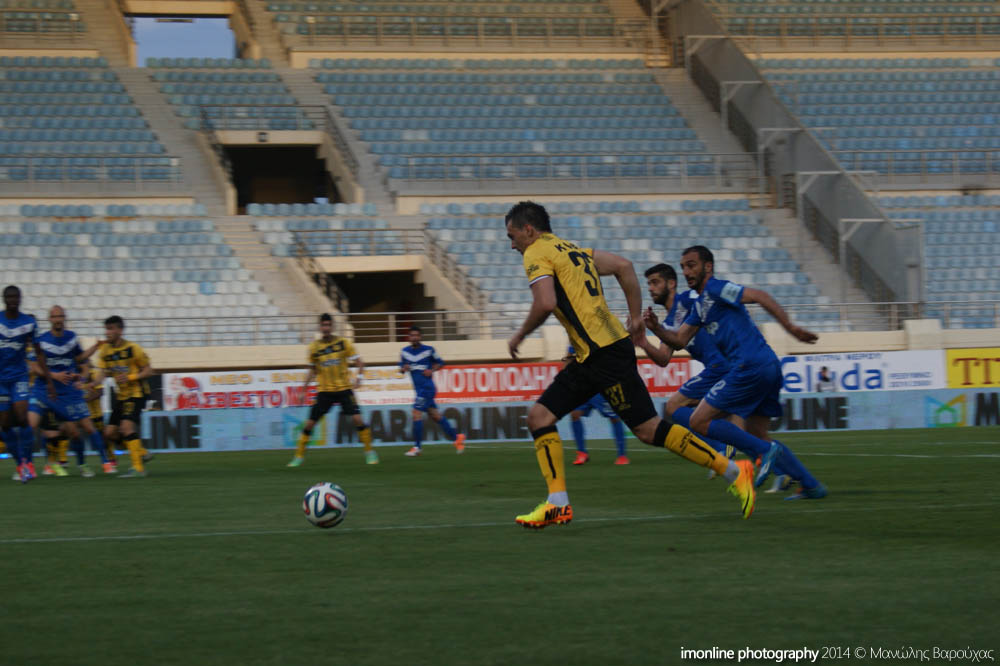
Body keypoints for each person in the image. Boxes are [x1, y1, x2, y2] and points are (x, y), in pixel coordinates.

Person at [504, 202, 757, 528]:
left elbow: (545, 302)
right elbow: (624, 266)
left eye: (512, 236)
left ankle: (734, 471)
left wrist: (520, 335)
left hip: (605, 355)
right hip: (593, 354)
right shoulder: (575, 250)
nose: (512, 245)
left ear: (528, 230)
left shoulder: (536, 252)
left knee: (649, 430)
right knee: (539, 417)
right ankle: (558, 504)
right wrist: (635, 316)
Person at [653, 246, 827, 500]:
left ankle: (760, 452)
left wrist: (789, 327)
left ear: (708, 267)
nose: (687, 272)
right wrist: (655, 328)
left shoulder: (716, 288)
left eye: (691, 265)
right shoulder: (700, 306)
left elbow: (759, 295)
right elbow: (679, 340)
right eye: (683, 267)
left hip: (749, 366)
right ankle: (811, 485)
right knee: (758, 434)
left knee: (698, 421)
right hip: (768, 365)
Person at [637, 263, 734, 476]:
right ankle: (790, 474)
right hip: (719, 368)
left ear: (671, 284)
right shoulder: (669, 323)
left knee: (674, 406)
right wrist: (642, 342)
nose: (650, 288)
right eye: (649, 284)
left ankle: (720, 450)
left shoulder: (688, 299)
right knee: (745, 424)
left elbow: (711, 299)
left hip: (721, 365)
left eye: (655, 282)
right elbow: (663, 358)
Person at [28, 305, 112, 478]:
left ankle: (100, 463)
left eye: (60, 316)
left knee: (81, 430)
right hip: (45, 390)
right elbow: (35, 367)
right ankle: (26, 465)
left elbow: (79, 358)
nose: (58, 319)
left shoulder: (72, 338)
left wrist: (82, 372)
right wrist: (54, 376)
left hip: (68, 392)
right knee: (31, 426)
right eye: (54, 317)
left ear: (64, 318)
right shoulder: (41, 340)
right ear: (50, 319)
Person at [290, 313, 378, 467]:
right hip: (325, 391)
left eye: (328, 325)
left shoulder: (343, 343)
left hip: (344, 389)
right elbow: (312, 370)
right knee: (309, 424)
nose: (326, 328)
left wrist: (359, 378)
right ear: (320, 327)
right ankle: (298, 457)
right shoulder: (314, 347)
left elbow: (360, 362)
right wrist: (303, 390)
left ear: (332, 326)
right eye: (323, 325)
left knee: (357, 419)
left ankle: (369, 452)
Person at [1, 285, 54, 482]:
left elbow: (39, 353)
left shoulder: (29, 323)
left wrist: (49, 380)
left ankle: (28, 463)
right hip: (1, 379)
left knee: (23, 418)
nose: (12, 300)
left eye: (15, 297)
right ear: (4, 299)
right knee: (5, 425)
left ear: (20, 299)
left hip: (19, 377)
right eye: (9, 297)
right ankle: (20, 463)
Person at [93, 315, 154, 478]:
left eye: (111, 329)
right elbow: (102, 374)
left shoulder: (133, 348)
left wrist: (130, 377)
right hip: (121, 396)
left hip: (137, 393)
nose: (107, 332)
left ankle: (138, 468)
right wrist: (90, 384)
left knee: (126, 428)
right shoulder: (105, 350)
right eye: (106, 329)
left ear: (120, 330)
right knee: (109, 433)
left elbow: (149, 371)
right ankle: (141, 452)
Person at [400, 325, 465, 457]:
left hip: (427, 388)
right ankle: (457, 438)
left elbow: (441, 363)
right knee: (436, 416)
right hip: (419, 390)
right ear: (409, 338)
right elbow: (401, 369)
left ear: (420, 337)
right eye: (412, 335)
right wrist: (404, 368)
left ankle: (417, 448)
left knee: (416, 413)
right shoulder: (404, 352)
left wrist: (432, 370)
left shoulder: (429, 350)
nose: (414, 338)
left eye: (416, 335)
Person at [563, 347, 628, 465]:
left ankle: (622, 455)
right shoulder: (576, 342)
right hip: (584, 388)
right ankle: (582, 453)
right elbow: (569, 358)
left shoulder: (601, 341)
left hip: (601, 387)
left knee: (614, 417)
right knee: (575, 414)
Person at [79, 359, 116, 470]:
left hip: (96, 414)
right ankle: (76, 463)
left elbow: (100, 392)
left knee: (103, 437)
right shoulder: (76, 376)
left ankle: (110, 459)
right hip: (82, 415)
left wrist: (84, 400)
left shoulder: (94, 374)